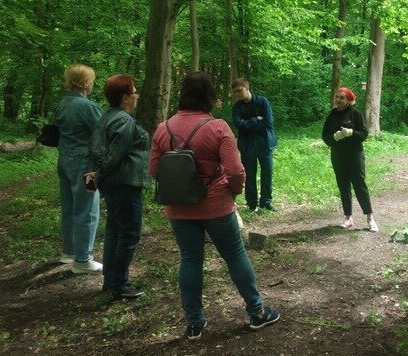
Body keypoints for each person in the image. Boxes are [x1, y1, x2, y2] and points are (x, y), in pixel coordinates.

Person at [149, 72, 280, 339]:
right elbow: (236, 171)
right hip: (216, 205)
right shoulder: (218, 127)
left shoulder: (164, 129)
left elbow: (154, 170)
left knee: (190, 260)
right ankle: (257, 313)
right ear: (209, 96)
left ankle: (195, 324)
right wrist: (232, 192)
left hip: (179, 207)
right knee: (234, 255)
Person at [86, 74, 149, 300]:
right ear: (125, 97)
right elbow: (115, 155)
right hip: (125, 183)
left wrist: (95, 178)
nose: (136, 96)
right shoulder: (124, 121)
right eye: (134, 92)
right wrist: (99, 175)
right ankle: (119, 285)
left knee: (115, 230)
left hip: (112, 185)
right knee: (129, 234)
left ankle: (111, 281)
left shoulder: (106, 117)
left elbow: (94, 152)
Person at [55, 64, 103, 274]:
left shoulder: (63, 103)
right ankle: (83, 260)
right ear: (85, 83)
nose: (92, 84)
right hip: (86, 166)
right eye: (91, 80)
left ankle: (70, 252)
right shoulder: (86, 106)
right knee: (87, 209)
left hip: (64, 161)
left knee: (69, 206)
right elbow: (104, 131)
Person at [322, 87, 378, 232]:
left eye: (342, 98)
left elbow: (364, 134)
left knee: (359, 184)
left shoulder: (356, 114)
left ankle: (370, 218)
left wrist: (351, 133)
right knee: (343, 185)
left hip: (354, 155)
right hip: (338, 155)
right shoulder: (332, 115)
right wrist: (335, 137)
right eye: (337, 97)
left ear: (348, 100)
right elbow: (325, 136)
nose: (338, 100)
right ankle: (348, 218)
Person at [231, 78, 278, 212]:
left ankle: (266, 202)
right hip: (247, 144)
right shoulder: (237, 107)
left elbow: (269, 122)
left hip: (264, 142)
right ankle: (252, 204)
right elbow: (239, 125)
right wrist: (256, 119)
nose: (238, 94)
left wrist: (248, 124)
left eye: (239, 90)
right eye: (235, 92)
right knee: (250, 174)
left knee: (267, 172)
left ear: (247, 87)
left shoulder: (263, 102)